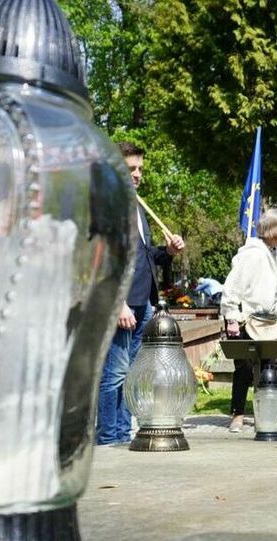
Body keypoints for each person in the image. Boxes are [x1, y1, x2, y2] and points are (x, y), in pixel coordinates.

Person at [96, 141, 185, 446]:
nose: (137, 175)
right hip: (120, 303)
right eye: (130, 168)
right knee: (114, 374)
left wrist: (168, 252)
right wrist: (118, 302)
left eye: (140, 169)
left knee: (130, 375)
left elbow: (142, 255)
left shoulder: (135, 204)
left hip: (142, 301)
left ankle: (122, 435)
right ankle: (108, 438)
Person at [220, 208, 277, 432]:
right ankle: (238, 415)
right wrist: (231, 317)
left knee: (271, 368)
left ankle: (269, 416)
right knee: (244, 369)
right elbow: (232, 286)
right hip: (245, 319)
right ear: (274, 230)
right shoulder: (253, 253)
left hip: (269, 321)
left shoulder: (276, 252)